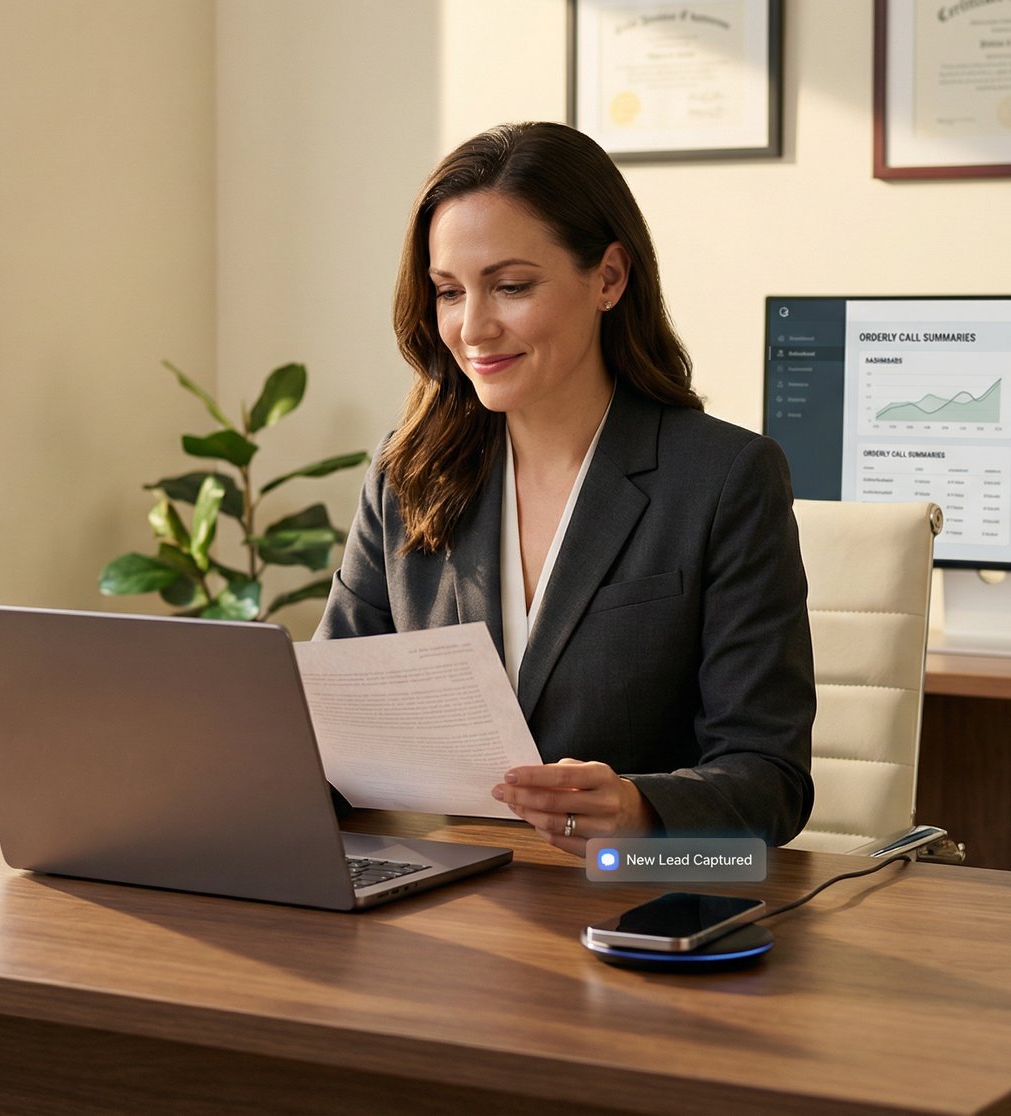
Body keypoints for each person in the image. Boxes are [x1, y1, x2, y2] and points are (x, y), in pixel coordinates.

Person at [317, 122, 814, 853]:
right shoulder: (407, 477)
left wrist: (639, 809)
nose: (473, 327)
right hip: (443, 901)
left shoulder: (724, 479)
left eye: (511, 286)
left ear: (609, 278)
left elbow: (772, 782)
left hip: (630, 898)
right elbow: (332, 732)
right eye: (449, 292)